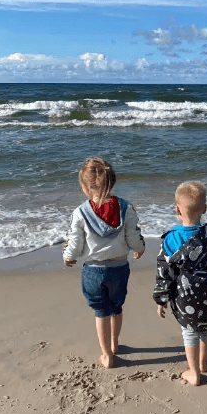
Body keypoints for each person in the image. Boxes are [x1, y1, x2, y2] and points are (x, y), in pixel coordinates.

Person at [63, 157, 145, 369]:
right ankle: (114, 344)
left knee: (101, 312)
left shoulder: (80, 213)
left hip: (93, 270)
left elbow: (76, 243)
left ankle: (107, 354)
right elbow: (133, 235)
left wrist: (68, 256)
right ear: (113, 181)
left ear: (85, 186)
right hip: (119, 268)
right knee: (116, 307)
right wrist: (139, 249)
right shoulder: (125, 207)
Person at [153, 181, 207, 386]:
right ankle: (204, 363)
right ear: (204, 209)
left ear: (177, 210)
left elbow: (164, 272)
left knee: (189, 331)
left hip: (183, 296)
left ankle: (194, 371)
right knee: (206, 329)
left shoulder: (170, 240)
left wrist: (161, 299)